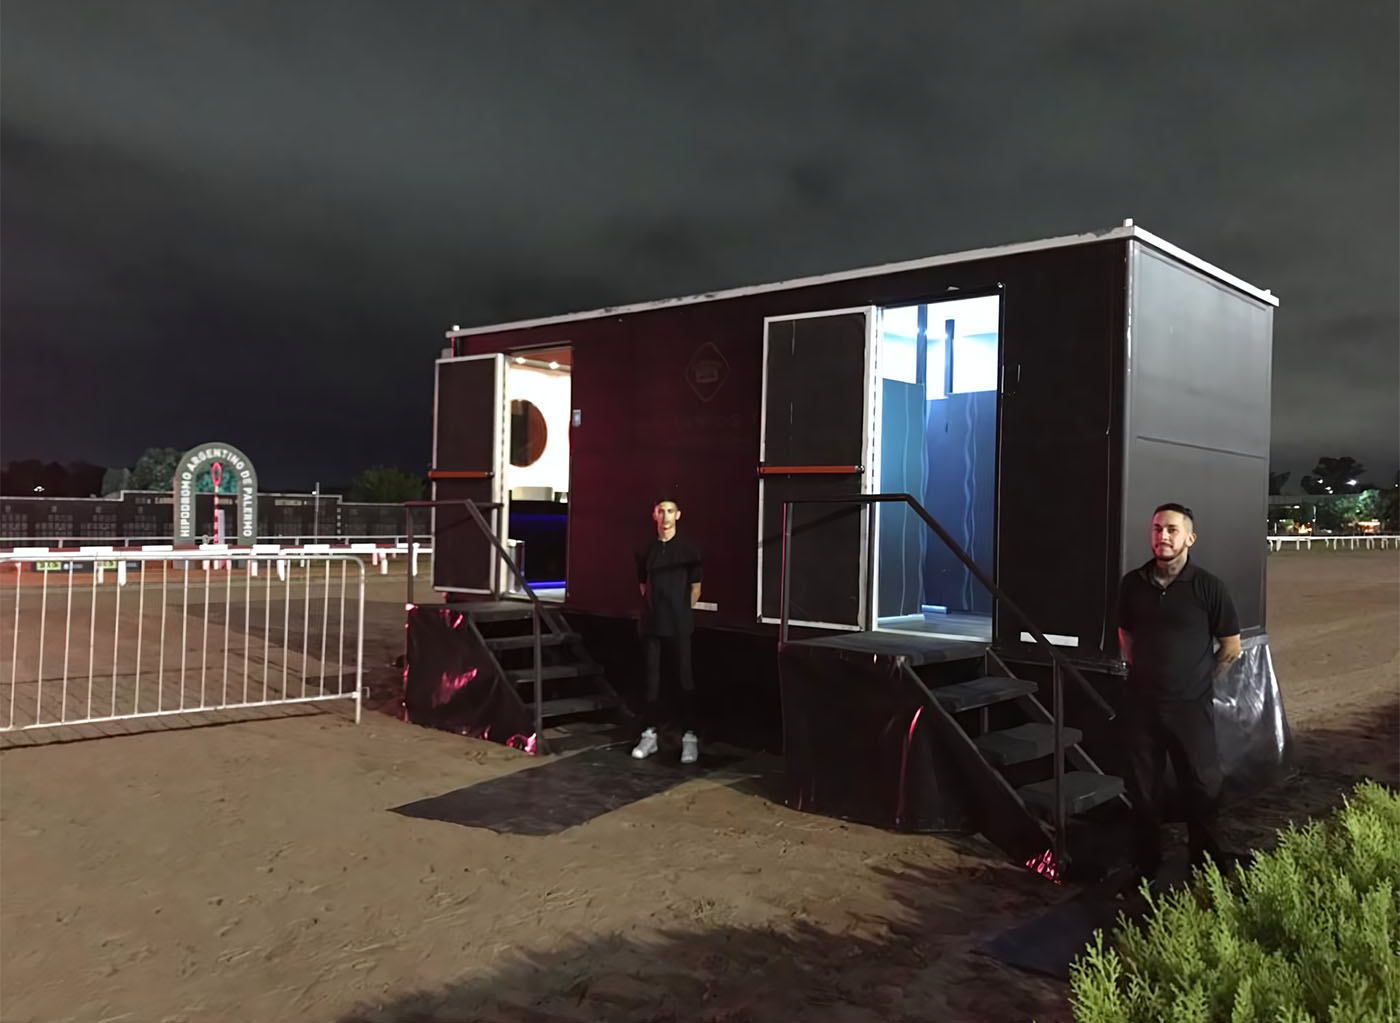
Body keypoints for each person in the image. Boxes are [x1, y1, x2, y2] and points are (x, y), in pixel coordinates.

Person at [1116, 503, 1242, 882]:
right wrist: (1141, 670)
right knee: (1142, 790)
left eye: (1171, 529)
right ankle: (1145, 864)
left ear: (1190, 538)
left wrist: (1201, 680)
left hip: (1191, 709)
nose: (1162, 536)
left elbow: (1231, 646)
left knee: (1202, 788)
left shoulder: (1209, 587)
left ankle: (1203, 864)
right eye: (1156, 529)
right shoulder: (1132, 583)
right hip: (1142, 707)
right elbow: (1127, 633)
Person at [631, 496, 703, 764]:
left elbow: (695, 588)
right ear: (654, 515)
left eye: (670, 511)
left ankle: (690, 738)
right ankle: (649, 735)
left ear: (678, 515)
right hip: (652, 625)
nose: (665, 516)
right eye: (661, 511)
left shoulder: (689, 550)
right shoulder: (645, 550)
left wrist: (680, 612)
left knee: (684, 680)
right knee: (652, 681)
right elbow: (642, 585)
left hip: (679, 624)